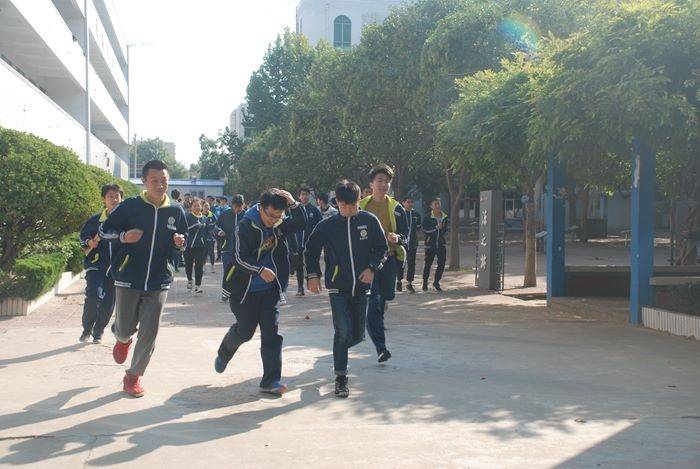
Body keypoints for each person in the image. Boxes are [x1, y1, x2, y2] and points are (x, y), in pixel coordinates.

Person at [99, 160, 188, 397]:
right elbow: (104, 231)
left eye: (164, 180)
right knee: (125, 328)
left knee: (150, 331)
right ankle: (122, 338)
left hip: (159, 279)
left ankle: (133, 376)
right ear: (144, 181)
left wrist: (179, 243)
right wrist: (123, 237)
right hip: (128, 276)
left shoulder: (176, 211)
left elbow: (182, 241)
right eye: (154, 180)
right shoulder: (130, 206)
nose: (160, 185)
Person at [215, 189, 305, 396]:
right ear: (260, 208)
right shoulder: (244, 226)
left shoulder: (278, 225)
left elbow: (301, 222)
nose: (274, 220)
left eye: (278, 216)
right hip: (244, 291)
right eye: (270, 215)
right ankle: (225, 352)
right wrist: (259, 270)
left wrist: (293, 203)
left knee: (271, 333)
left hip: (270, 291)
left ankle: (270, 380)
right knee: (245, 332)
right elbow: (238, 258)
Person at [306, 180, 388, 398]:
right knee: (342, 332)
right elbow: (310, 251)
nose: (349, 210)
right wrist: (313, 275)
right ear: (337, 203)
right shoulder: (327, 225)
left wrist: (372, 268)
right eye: (344, 206)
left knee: (357, 335)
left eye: (353, 205)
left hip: (362, 288)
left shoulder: (369, 221)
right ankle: (341, 377)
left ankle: (339, 350)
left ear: (359, 200)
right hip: (338, 288)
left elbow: (382, 248)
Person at [359, 164, 408, 363]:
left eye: (387, 181)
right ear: (371, 184)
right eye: (379, 180)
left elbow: (406, 236)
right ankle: (381, 347)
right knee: (373, 304)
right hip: (368, 262)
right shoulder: (361, 206)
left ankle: (381, 302)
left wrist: (398, 238)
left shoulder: (396, 208)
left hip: (389, 260)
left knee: (385, 297)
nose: (383, 184)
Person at [78, 184, 124, 344]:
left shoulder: (125, 221)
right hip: (96, 265)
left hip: (116, 268)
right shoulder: (95, 220)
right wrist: (89, 242)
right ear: (104, 199)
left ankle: (98, 331)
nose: (114, 199)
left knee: (108, 303)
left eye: (117, 196)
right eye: (110, 196)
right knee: (93, 295)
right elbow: (83, 236)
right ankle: (87, 328)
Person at [293, 186, 322, 296]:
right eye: (303, 194)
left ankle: (315, 283)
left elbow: (320, 226)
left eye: (307, 194)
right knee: (299, 266)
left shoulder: (314, 210)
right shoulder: (295, 210)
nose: (305, 196)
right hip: (298, 244)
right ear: (299, 196)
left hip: (311, 245)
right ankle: (300, 288)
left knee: (313, 264)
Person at [217, 194, 245, 302]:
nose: (238, 209)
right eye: (236, 206)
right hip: (227, 249)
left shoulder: (247, 216)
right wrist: (219, 231)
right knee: (228, 272)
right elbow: (215, 226)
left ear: (243, 205)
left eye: (240, 206)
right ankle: (225, 293)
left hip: (242, 250)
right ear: (232, 205)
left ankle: (239, 293)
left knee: (241, 272)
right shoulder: (225, 214)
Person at [422, 197, 449, 292]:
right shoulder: (428, 217)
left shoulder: (444, 217)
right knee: (428, 264)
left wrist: (442, 230)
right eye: (435, 204)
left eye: (439, 204)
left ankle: (436, 282)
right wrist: (435, 228)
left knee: (442, 263)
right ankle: (425, 282)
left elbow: (445, 230)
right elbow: (424, 229)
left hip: (441, 244)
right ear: (431, 206)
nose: (438, 206)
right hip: (430, 244)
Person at [184, 198, 210, 295]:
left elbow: (207, 231)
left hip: (200, 247)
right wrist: (196, 225)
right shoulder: (187, 217)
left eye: (198, 205)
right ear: (191, 207)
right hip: (189, 246)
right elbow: (185, 229)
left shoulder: (205, 218)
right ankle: (190, 280)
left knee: (199, 267)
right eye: (194, 206)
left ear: (201, 207)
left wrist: (212, 236)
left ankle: (198, 286)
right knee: (188, 265)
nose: (197, 207)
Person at [396, 196, 422, 293]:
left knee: (411, 263)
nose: (410, 204)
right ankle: (399, 281)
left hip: (413, 243)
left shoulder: (416, 215)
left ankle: (409, 283)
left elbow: (418, 228)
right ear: (403, 203)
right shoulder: (400, 213)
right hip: (402, 243)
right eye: (408, 202)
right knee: (401, 262)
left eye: (412, 202)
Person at [203, 201, 218, 274]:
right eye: (205, 206)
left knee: (211, 252)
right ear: (202, 207)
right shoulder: (200, 215)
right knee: (204, 252)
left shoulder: (212, 215)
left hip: (211, 237)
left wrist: (214, 231)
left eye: (208, 206)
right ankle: (203, 266)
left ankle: (212, 266)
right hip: (202, 237)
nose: (207, 207)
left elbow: (216, 225)